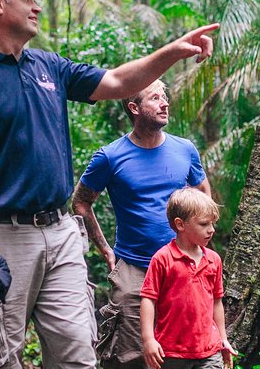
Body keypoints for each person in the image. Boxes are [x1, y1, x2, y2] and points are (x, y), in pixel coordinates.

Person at [0, 0, 218, 369]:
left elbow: (117, 81)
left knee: (78, 357)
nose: (36, 6)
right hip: (0, 235)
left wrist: (173, 51)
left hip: (61, 231)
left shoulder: (49, 67)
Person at [72, 79, 210, 368]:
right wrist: (105, 250)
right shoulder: (110, 157)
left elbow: (202, 196)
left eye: (165, 96)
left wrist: (200, 246)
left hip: (183, 267)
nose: (165, 102)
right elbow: (81, 202)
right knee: (131, 355)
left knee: (184, 352)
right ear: (134, 107)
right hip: (135, 269)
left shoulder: (185, 150)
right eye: (155, 98)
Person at [140, 188, 236, 369]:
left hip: (209, 351)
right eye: (204, 224)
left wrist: (223, 339)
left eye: (213, 224)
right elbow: (148, 299)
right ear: (180, 224)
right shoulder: (163, 259)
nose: (212, 230)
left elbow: (217, 302)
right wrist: (148, 340)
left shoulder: (214, 260)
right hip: (171, 352)